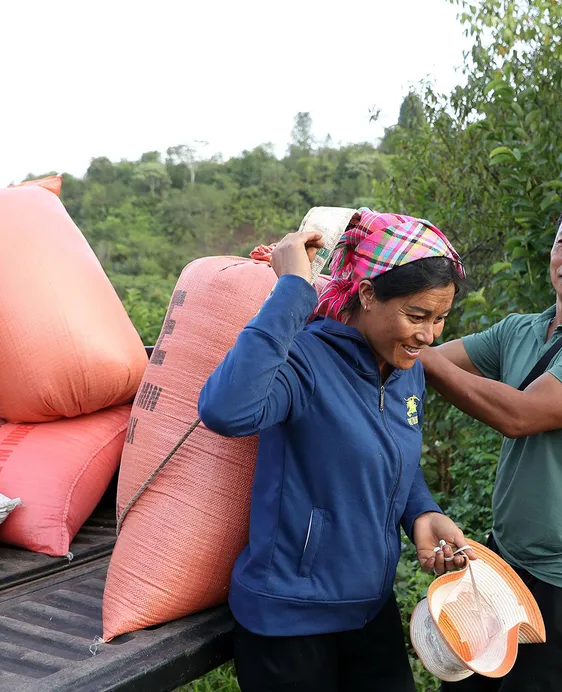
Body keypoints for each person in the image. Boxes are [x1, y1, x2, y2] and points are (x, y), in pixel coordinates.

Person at [198, 208, 477, 692]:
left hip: (368, 609)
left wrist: (421, 511)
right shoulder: (305, 360)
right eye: (416, 315)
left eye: (440, 319)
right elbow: (225, 411)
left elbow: (394, 454)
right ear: (367, 294)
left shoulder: (405, 367)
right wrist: (292, 288)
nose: (429, 336)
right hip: (289, 620)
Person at [418, 184, 562, 692]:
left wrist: (407, 340)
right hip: (501, 561)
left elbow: (519, 415)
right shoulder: (521, 330)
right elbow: (426, 367)